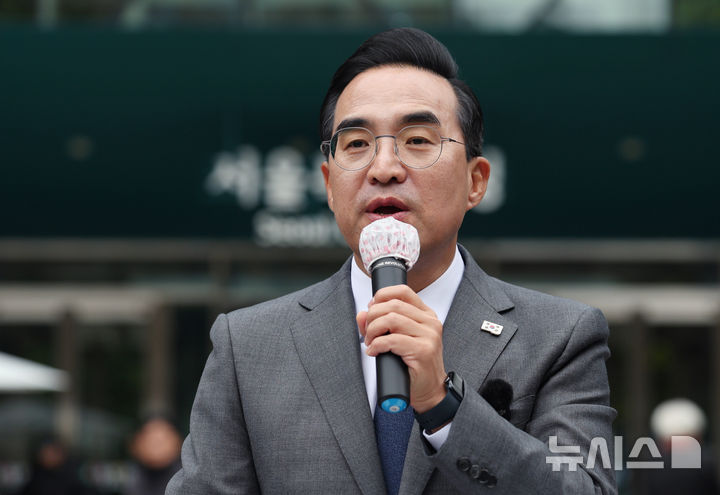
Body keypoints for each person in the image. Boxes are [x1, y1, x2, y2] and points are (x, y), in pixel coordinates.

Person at [166, 28, 616, 494]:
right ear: (328, 184)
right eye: (357, 144)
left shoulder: (560, 337)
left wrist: (444, 407)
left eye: (417, 139)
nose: (383, 168)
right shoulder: (248, 346)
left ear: (476, 181)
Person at [125, 415, 182, 495]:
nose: (155, 444)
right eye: (150, 438)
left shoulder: (188, 478)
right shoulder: (132, 479)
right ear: (137, 443)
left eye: (161, 439)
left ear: (177, 442)